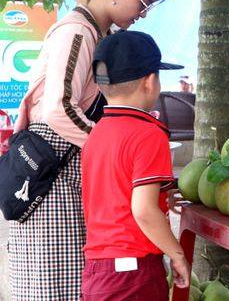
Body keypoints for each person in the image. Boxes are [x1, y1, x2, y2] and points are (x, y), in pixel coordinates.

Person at [8, 0, 168, 300]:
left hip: (65, 170)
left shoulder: (99, 35)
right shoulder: (77, 33)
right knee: (55, 284)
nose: (142, 14)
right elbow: (57, 109)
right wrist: (113, 148)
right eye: (143, 3)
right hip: (53, 178)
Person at [81, 30, 189, 299]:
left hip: (98, 272)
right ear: (150, 82)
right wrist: (176, 253)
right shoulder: (149, 134)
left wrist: (163, 195)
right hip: (135, 276)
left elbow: (115, 194)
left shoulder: (96, 133)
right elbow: (142, 210)